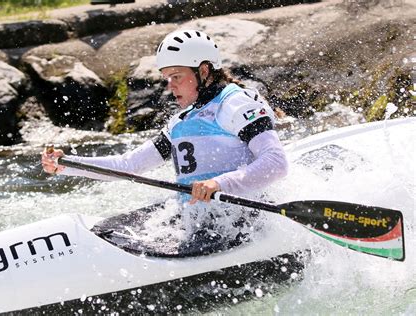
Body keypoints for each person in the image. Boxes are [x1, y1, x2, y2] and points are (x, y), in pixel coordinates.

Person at [42, 29, 288, 244]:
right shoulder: (182, 122)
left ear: (203, 71)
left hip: (242, 223)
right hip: (197, 222)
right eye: (167, 78)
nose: (170, 86)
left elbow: (276, 163)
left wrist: (219, 183)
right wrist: (68, 165)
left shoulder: (236, 104)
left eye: (177, 76)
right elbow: (128, 165)